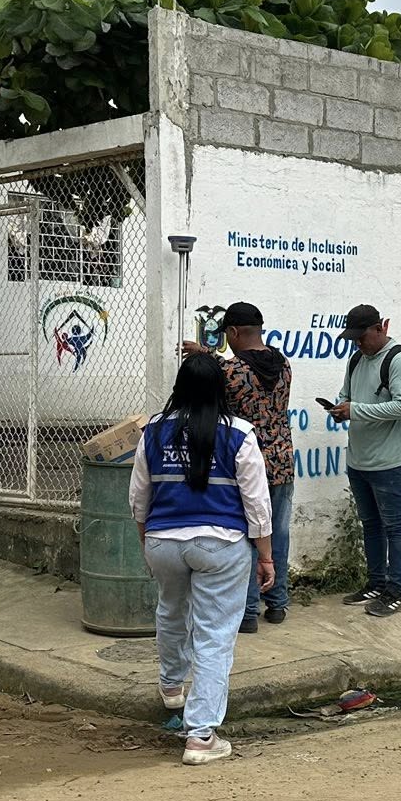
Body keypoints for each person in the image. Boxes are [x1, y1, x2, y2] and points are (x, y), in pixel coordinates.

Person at [129, 353, 274, 765]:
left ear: (179, 387)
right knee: (214, 635)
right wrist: (266, 557)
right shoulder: (239, 434)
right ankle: (201, 736)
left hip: (163, 541)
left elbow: (139, 498)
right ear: (220, 389)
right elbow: (257, 505)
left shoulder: (153, 431)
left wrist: (147, 544)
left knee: (171, 611)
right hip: (220, 545)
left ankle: (171, 688)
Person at [185, 300, 293, 632]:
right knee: (277, 533)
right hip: (282, 459)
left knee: (248, 536)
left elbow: (229, 374)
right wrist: (209, 354)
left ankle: (247, 612)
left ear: (233, 331)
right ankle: (277, 603)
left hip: (246, 463)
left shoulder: (231, 372)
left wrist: (204, 356)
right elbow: (247, 369)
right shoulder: (283, 364)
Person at [328, 303, 401, 618]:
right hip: (360, 461)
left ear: (380, 328)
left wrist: (355, 410)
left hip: (392, 463)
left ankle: (396, 591)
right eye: (353, 338)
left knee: (395, 528)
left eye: (362, 337)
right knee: (371, 525)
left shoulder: (400, 360)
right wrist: (340, 408)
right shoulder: (356, 360)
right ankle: (376, 583)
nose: (358, 344)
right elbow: (346, 394)